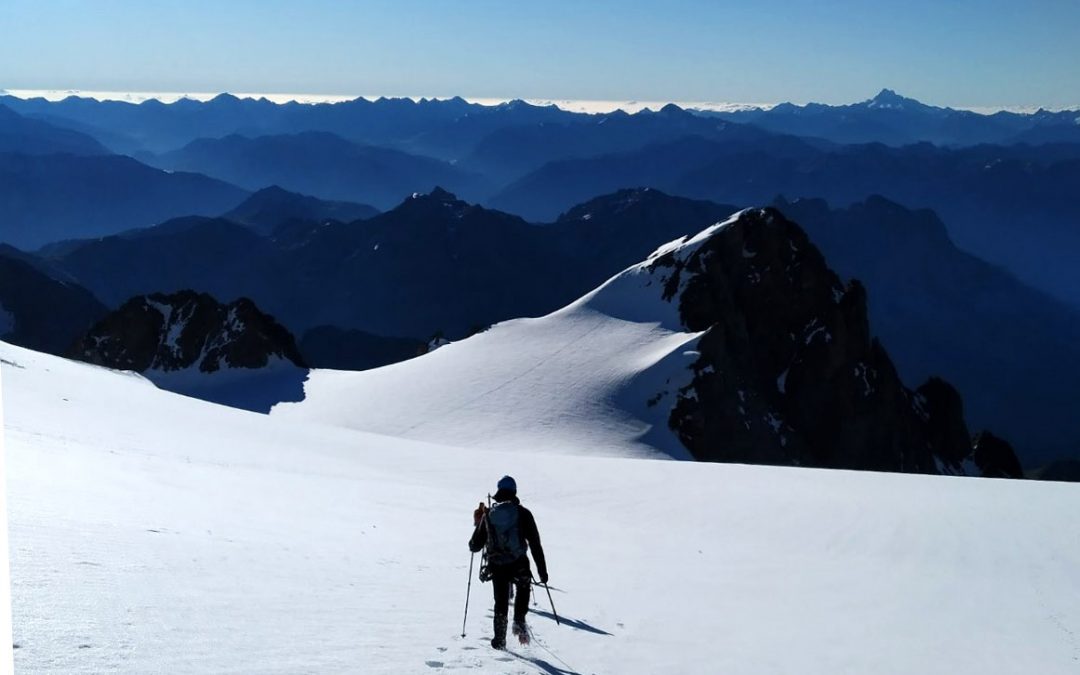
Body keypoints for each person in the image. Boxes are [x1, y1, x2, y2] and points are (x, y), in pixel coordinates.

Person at [469, 475, 548, 649]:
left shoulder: (488, 515)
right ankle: (519, 621)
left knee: (501, 600)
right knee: (523, 586)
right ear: (514, 492)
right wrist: (542, 572)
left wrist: (479, 522)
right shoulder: (523, 514)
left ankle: (499, 639)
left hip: (497, 564)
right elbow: (535, 543)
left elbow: (474, 546)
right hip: (519, 561)